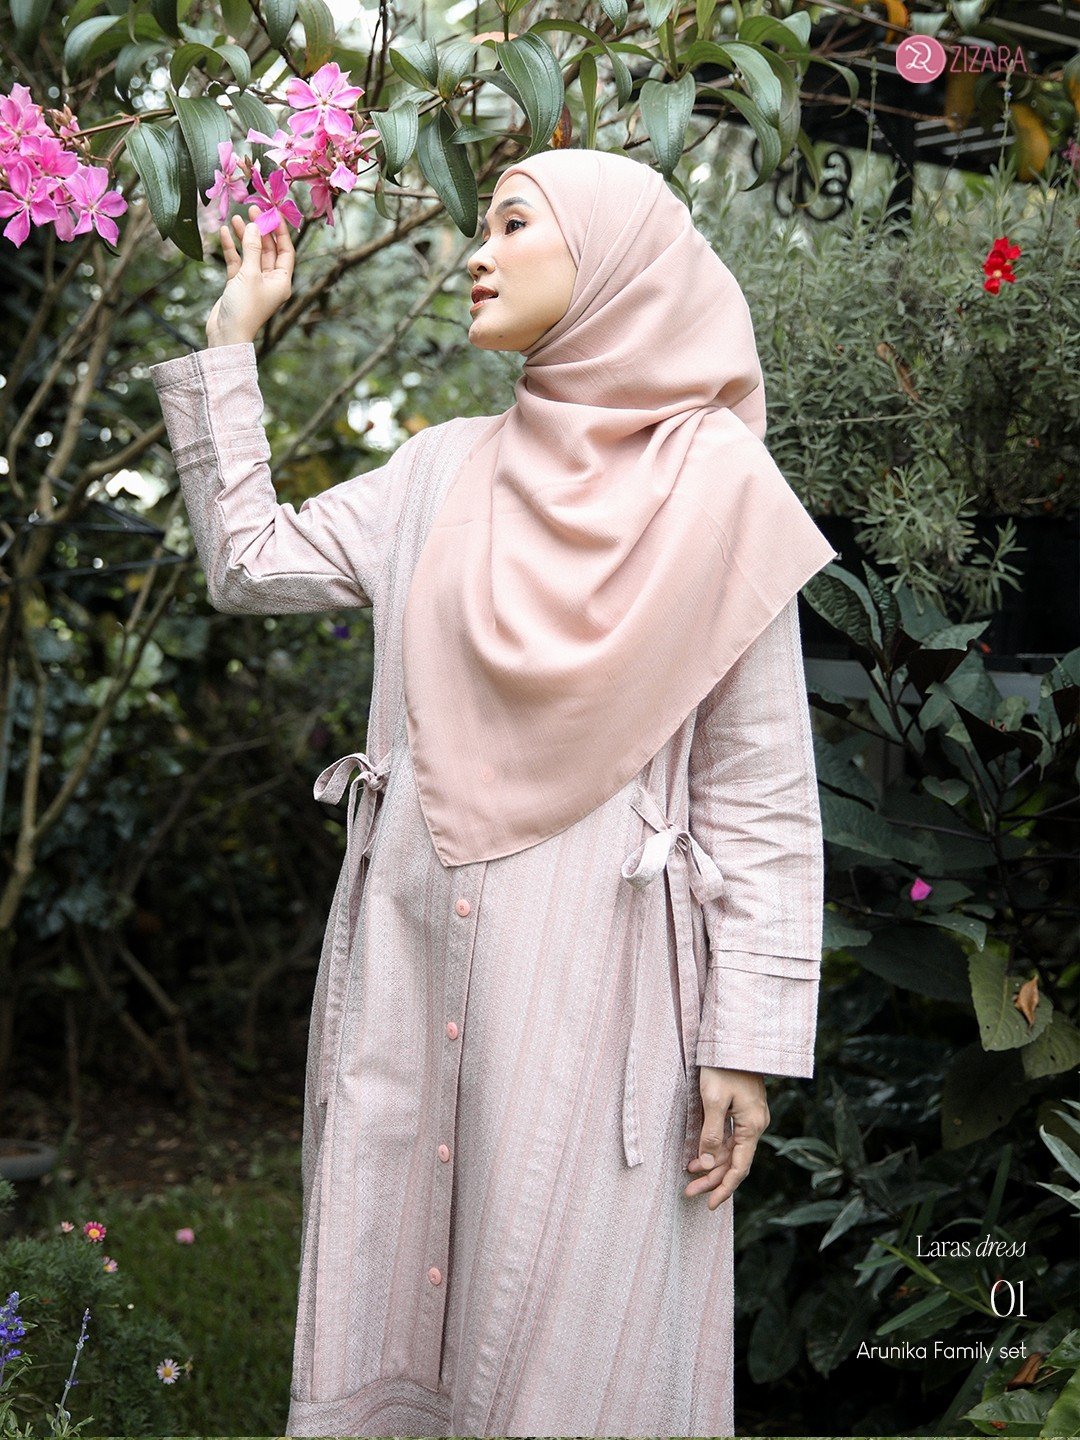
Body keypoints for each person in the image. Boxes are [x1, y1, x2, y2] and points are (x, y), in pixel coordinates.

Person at [149, 146, 838, 1439]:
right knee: (398, 1277)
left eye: (515, 222)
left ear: (617, 261)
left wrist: (744, 1040)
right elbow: (248, 560)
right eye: (480, 225)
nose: (476, 252)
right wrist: (231, 338)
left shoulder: (721, 487)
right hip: (412, 954)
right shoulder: (437, 471)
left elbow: (757, 789)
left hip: (605, 981)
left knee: (571, 1311)